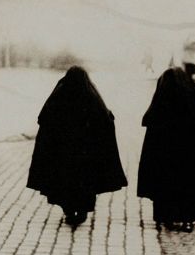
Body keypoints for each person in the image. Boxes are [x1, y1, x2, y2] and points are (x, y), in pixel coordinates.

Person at [27, 66, 127, 226]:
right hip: (85, 154)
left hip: (63, 153)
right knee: (84, 182)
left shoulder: (59, 93)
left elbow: (44, 118)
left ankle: (68, 210)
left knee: (64, 182)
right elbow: (105, 119)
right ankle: (81, 212)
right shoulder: (91, 95)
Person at [137, 68, 195, 232]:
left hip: (167, 162)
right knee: (190, 185)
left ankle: (168, 217)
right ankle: (189, 219)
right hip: (192, 160)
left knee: (166, 184)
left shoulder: (160, 107)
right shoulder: (194, 104)